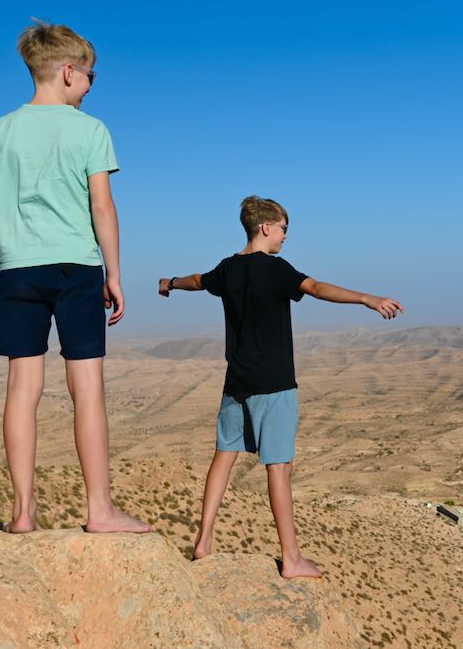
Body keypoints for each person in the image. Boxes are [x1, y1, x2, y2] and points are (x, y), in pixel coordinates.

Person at [0, 20, 150, 535]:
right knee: (88, 388)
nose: (90, 85)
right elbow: (103, 208)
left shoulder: (3, 127)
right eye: (91, 76)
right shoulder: (90, 130)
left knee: (22, 389)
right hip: (77, 267)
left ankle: (22, 512)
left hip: (17, 271)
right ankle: (100, 511)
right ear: (68, 73)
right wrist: (115, 273)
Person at [159, 195, 403, 577]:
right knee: (279, 468)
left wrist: (169, 283)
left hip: (236, 382)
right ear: (266, 227)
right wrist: (366, 299)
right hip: (273, 384)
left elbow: (196, 281)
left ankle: (203, 542)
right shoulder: (276, 269)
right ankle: (291, 558)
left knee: (224, 456)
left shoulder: (227, 269)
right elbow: (317, 287)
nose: (286, 237)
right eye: (285, 229)